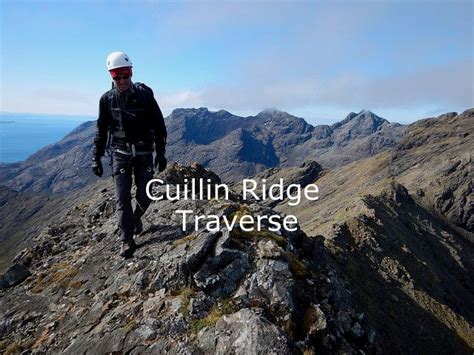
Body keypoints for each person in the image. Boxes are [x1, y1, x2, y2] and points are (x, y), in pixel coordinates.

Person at [92, 51, 167, 258]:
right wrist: (96, 157)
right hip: (120, 154)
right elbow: (101, 130)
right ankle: (126, 240)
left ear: (131, 73)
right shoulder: (107, 100)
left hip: (144, 152)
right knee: (122, 199)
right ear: (112, 77)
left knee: (146, 195)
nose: (122, 81)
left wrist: (161, 154)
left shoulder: (145, 94)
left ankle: (135, 219)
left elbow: (159, 125)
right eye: (117, 77)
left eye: (125, 76)